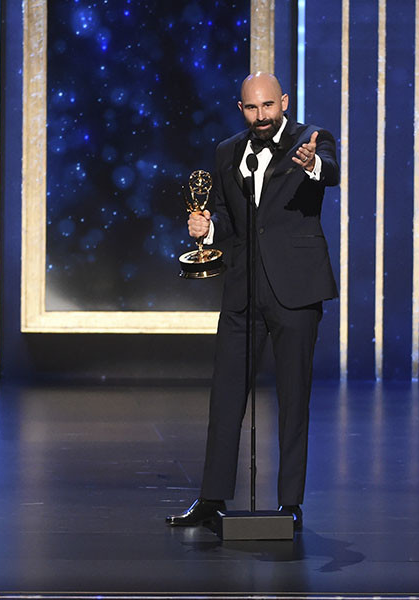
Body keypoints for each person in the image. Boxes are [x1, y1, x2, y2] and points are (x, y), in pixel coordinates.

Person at [166, 72, 339, 531]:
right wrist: (208, 229)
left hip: (296, 288)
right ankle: (211, 498)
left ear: (283, 101)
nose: (261, 116)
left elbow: (331, 171)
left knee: (293, 396)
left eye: (268, 106)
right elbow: (227, 214)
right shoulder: (227, 151)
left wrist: (311, 165)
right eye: (251, 108)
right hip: (243, 288)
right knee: (224, 394)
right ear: (239, 108)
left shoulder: (312, 139)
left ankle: (290, 503)